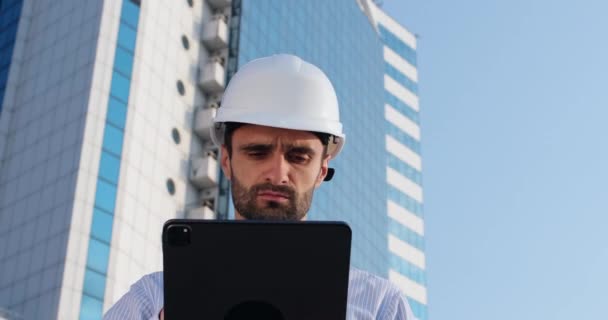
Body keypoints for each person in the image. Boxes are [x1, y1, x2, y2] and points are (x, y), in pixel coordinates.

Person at [103, 54, 415, 319]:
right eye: (257, 152)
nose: (278, 173)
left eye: (298, 156)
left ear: (321, 171)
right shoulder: (152, 299)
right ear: (226, 160)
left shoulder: (380, 307)